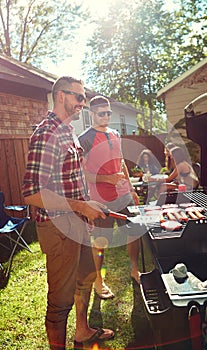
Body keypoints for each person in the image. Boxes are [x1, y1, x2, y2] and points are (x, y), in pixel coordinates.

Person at [22, 77, 114, 350]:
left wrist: (89, 203)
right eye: (79, 97)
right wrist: (80, 206)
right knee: (60, 301)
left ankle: (82, 331)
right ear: (61, 96)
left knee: (85, 278)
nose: (83, 104)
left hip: (78, 222)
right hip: (58, 227)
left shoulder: (68, 131)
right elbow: (31, 194)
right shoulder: (46, 133)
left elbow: (72, 177)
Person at [78, 95, 141, 299]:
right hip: (100, 199)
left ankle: (134, 269)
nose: (106, 116)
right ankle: (98, 280)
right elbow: (81, 173)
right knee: (102, 241)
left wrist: (131, 189)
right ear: (91, 114)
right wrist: (107, 179)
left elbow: (121, 162)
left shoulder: (115, 133)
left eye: (108, 113)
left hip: (124, 195)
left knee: (134, 232)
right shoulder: (84, 139)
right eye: (101, 113)